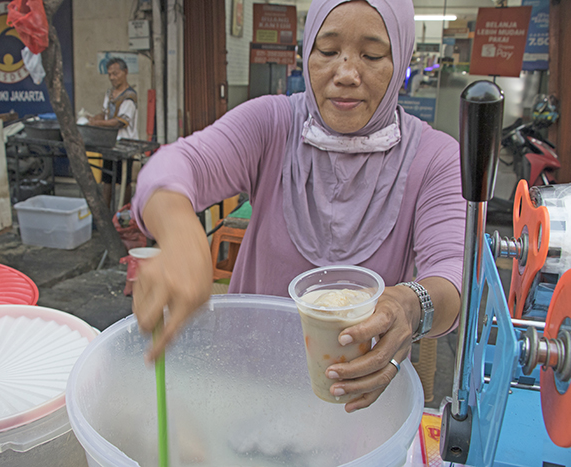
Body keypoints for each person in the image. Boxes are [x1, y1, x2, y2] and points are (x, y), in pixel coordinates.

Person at [131, 0, 466, 413]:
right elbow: (173, 167)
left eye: (373, 55)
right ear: (306, 53)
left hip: (358, 401)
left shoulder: (435, 157)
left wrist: (410, 304)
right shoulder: (272, 125)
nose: (345, 74)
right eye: (327, 52)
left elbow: (453, 273)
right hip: (246, 388)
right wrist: (180, 233)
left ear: (400, 61)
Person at [89, 57, 139, 207]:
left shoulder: (130, 96)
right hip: (110, 143)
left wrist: (97, 123)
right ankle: (106, 212)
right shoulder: (110, 93)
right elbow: (105, 114)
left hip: (126, 144)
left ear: (125, 72)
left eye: (115, 74)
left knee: (124, 181)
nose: (112, 78)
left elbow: (120, 122)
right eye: (110, 74)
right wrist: (92, 118)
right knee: (107, 180)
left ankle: (123, 213)